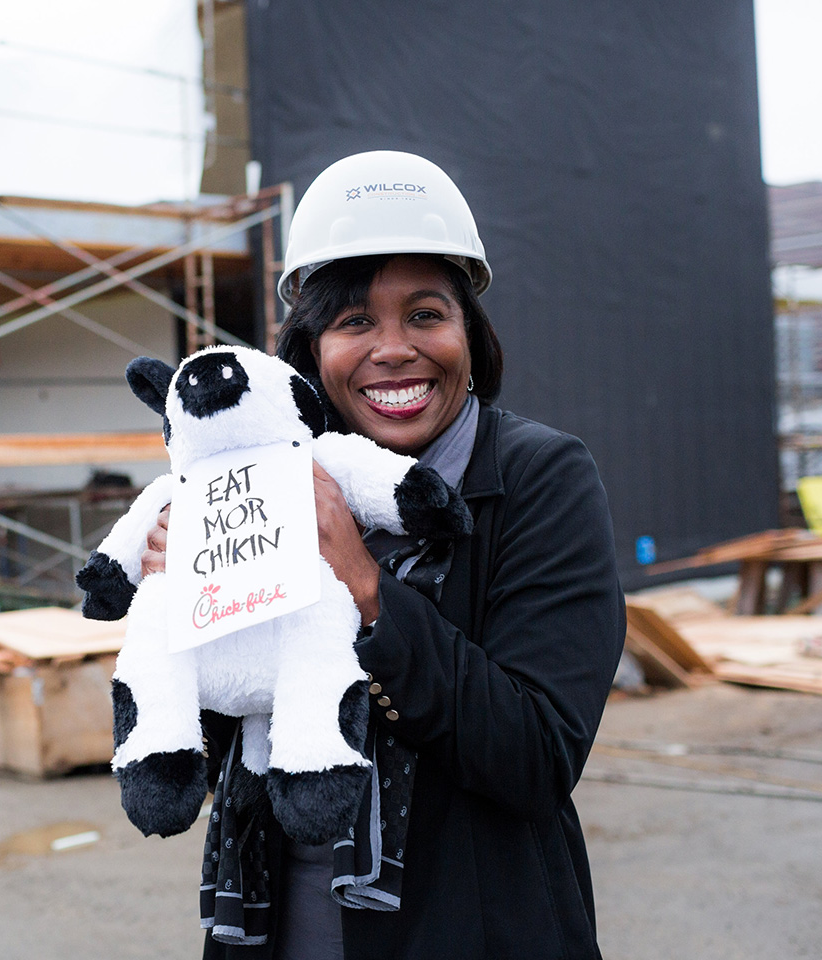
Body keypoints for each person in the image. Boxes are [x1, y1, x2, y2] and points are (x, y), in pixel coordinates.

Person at [141, 151, 624, 960]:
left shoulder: (543, 477)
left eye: (426, 315)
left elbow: (537, 756)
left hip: (472, 931)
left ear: (468, 332)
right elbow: (228, 743)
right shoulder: (272, 480)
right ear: (312, 347)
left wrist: (366, 591)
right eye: (355, 321)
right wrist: (188, 608)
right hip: (276, 923)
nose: (393, 349)